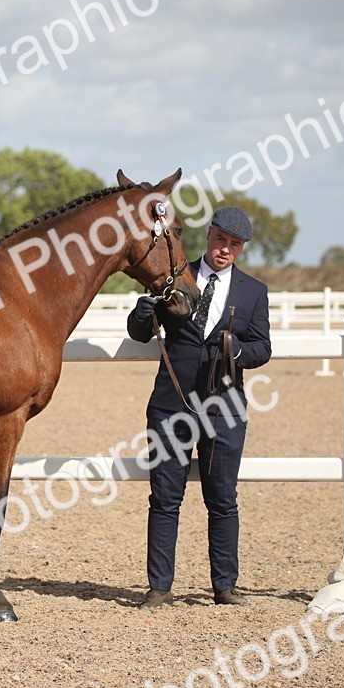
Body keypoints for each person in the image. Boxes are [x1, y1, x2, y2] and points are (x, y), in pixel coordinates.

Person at [126, 206, 272, 608]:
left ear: (241, 249)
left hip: (224, 408)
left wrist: (239, 350)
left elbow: (263, 348)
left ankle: (224, 586)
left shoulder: (254, 292)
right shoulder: (174, 275)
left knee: (222, 498)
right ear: (209, 235)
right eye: (221, 239)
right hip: (171, 405)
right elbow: (141, 333)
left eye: (235, 245)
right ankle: (159, 587)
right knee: (164, 497)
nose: (225, 250)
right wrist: (140, 315)